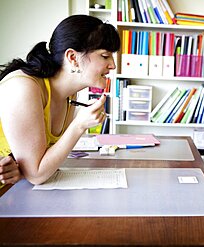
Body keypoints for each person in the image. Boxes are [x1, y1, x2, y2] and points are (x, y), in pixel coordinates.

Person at [0, 15, 120, 185]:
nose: (113, 65)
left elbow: (45, 166)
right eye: (105, 56)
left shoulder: (69, 94)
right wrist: (79, 125)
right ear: (72, 57)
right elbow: (37, 175)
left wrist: (25, 169)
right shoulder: (23, 88)